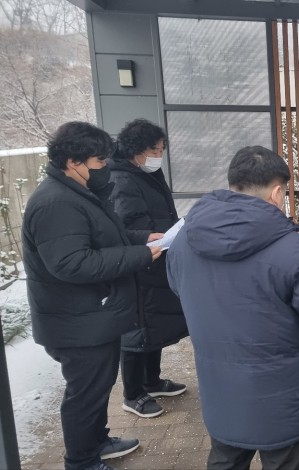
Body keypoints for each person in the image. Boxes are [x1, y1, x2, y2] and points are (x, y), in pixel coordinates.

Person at [167, 146, 299, 470]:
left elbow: (178, 287)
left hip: (220, 386)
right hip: (282, 393)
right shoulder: (293, 249)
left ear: (233, 184)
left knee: (226, 459)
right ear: (277, 193)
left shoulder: (183, 240)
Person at [22, 121, 163, 470]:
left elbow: (102, 237)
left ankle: (97, 441)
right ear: (74, 162)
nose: (105, 167)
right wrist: (140, 255)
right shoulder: (55, 202)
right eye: (99, 161)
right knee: (84, 395)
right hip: (75, 323)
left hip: (91, 317)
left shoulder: (75, 192)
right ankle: (81, 461)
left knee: (98, 388)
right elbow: (71, 263)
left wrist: (142, 238)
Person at [109, 119, 189, 419]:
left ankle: (151, 381)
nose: (159, 155)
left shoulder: (146, 172)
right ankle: (132, 394)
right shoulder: (121, 179)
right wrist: (148, 236)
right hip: (138, 263)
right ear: (136, 149)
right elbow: (124, 226)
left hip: (156, 256)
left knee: (154, 324)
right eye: (155, 150)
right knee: (136, 330)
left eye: (162, 149)